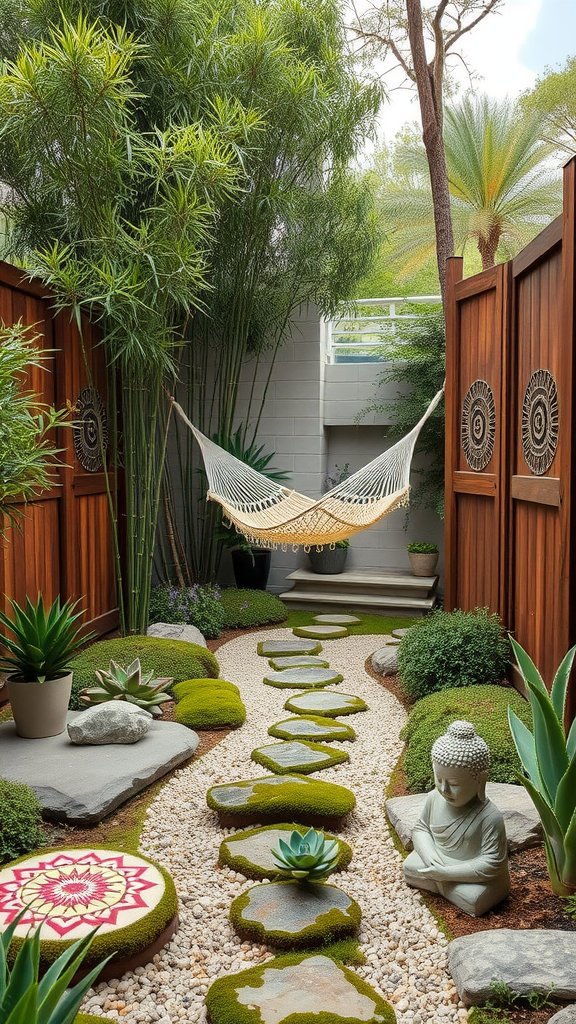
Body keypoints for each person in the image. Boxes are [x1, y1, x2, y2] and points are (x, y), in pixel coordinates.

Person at [403, 720, 510, 916]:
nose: (444, 789)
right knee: (410, 866)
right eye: (439, 779)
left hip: (470, 874)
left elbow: (492, 863)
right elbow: (420, 829)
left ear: (480, 779)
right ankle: (442, 883)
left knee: (473, 897)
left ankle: (442, 883)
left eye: (453, 783)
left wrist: (445, 874)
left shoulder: (490, 817)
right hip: (436, 861)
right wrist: (429, 857)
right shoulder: (434, 798)